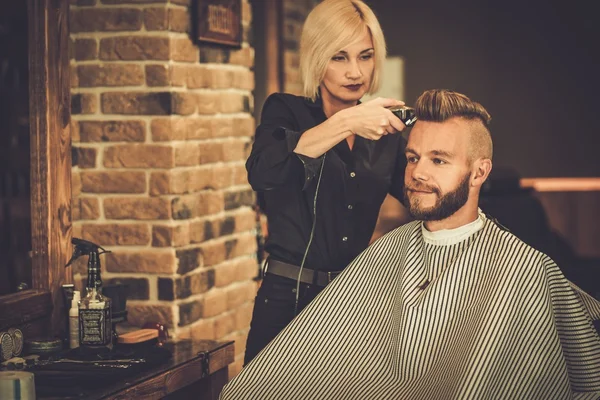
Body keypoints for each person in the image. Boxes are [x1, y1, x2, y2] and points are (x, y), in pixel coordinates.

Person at [221, 89, 600, 399]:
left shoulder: (522, 270)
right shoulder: (387, 252)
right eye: (413, 157)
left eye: (439, 160)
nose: (418, 172)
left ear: (479, 171)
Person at [244, 0, 408, 365]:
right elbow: (264, 173)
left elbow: (418, 195)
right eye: (339, 57)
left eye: (365, 57)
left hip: (352, 300)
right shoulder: (285, 110)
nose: (355, 72)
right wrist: (348, 122)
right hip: (286, 297)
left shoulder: (385, 131)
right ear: (317, 58)